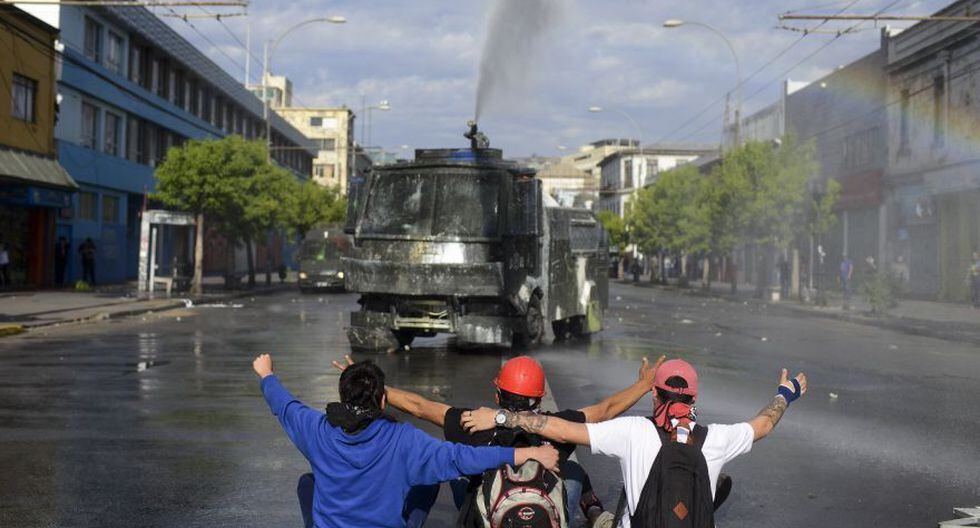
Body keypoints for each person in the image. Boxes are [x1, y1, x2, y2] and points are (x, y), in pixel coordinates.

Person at [462, 358, 808, 528]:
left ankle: (597, 514)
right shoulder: (717, 438)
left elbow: (562, 430)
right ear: (694, 397)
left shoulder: (633, 432)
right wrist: (785, 394)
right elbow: (763, 425)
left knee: (610, 488)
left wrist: (503, 418)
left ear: (654, 394)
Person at [334, 354, 663, 527]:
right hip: (541, 511)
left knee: (460, 466)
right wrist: (643, 385)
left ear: (496, 393)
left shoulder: (472, 424)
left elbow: (420, 407)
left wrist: (368, 385)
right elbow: (605, 410)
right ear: (538, 400)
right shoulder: (558, 427)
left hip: (491, 510)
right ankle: (582, 515)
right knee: (572, 466)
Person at [252, 354, 559, 528]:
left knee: (309, 482)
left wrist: (266, 374)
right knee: (428, 481)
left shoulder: (317, 430)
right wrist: (529, 452)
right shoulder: (404, 440)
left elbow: (284, 405)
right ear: (383, 401)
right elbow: (461, 458)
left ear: (342, 397)